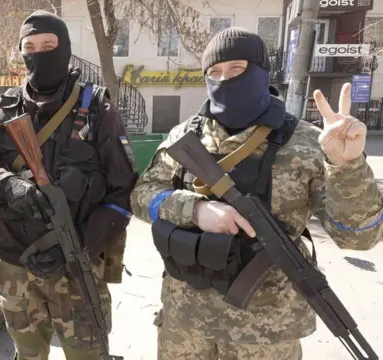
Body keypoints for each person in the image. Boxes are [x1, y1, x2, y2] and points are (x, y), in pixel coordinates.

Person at [130, 27, 382, 360]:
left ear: (262, 73)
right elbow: (142, 195)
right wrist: (194, 210)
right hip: (185, 324)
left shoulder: (307, 143)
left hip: (265, 336)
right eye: (214, 72)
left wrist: (347, 166)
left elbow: (358, 239)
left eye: (237, 69)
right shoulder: (186, 136)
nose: (224, 79)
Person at [0, 10, 138, 360]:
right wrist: (7, 185)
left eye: (49, 45)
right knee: (27, 354)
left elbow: (123, 192)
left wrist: (80, 248)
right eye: (30, 46)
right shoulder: (0, 110)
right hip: (16, 265)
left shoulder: (97, 110)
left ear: (66, 49)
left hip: (78, 266)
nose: (38, 53)